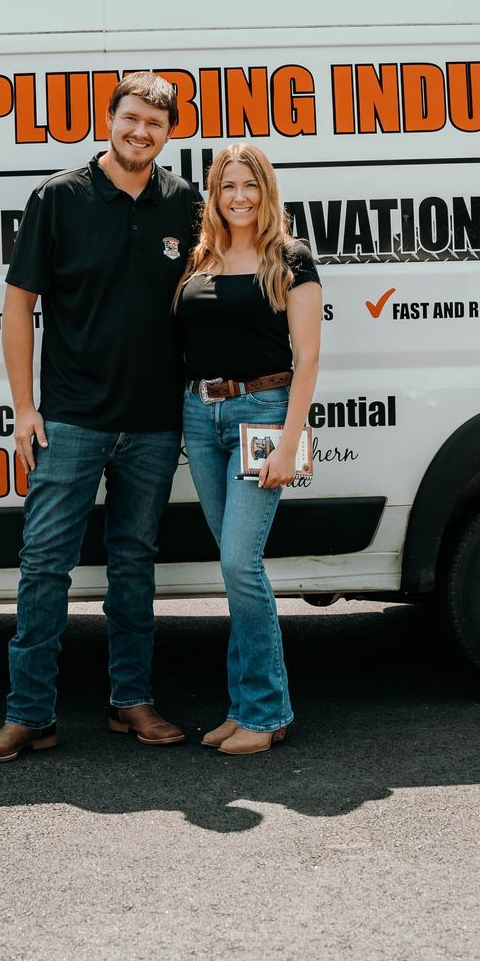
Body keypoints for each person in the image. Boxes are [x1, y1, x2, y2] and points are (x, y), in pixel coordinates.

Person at [0, 72, 203, 763]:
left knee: (135, 567)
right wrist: (24, 409)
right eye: (131, 119)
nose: (140, 132)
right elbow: (19, 304)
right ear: (111, 120)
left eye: (155, 125)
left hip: (154, 424)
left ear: (168, 133)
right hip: (69, 421)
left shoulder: (183, 203)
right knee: (44, 568)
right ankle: (29, 716)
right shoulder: (59, 197)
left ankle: (131, 703)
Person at [173, 143, 323, 755]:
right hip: (199, 415)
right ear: (214, 193)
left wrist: (290, 441)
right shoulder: (200, 258)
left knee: (240, 563)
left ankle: (267, 712)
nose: (239, 196)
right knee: (236, 570)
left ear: (266, 191)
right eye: (228, 185)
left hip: (262, 413)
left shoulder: (290, 259)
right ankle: (243, 707)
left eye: (249, 185)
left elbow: (308, 357)